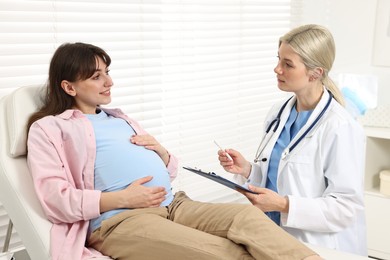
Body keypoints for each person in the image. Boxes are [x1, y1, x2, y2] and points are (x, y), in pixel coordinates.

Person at [26, 42, 321, 260]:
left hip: (175, 204)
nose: (109, 82)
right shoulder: (50, 129)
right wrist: (121, 199)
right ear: (69, 87)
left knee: (248, 220)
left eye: (107, 73)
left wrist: (164, 155)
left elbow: (169, 171)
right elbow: (55, 198)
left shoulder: (118, 117)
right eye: (96, 76)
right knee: (225, 253)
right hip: (122, 221)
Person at [217, 24, 367, 256]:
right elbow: (282, 176)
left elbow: (346, 208)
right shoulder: (279, 113)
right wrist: (248, 170)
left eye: (287, 64)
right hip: (273, 237)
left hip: (318, 246)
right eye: (279, 60)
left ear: (315, 73)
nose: (277, 69)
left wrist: (284, 205)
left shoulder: (340, 127)